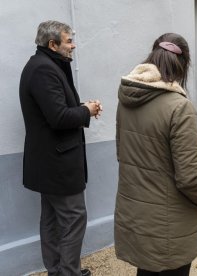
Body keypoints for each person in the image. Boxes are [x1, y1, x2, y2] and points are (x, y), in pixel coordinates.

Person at [114, 33, 197, 276]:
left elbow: (123, 154)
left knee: (146, 271)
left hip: (136, 213)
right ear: (183, 65)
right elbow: (189, 177)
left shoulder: (127, 98)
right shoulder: (180, 107)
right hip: (169, 221)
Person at [19, 20, 102, 276]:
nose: (73, 45)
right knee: (73, 219)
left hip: (49, 163)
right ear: (52, 44)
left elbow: (55, 110)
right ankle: (68, 272)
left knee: (53, 221)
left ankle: (58, 271)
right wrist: (85, 110)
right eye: (68, 41)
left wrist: (79, 108)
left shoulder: (44, 65)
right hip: (57, 165)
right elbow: (58, 118)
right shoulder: (44, 69)